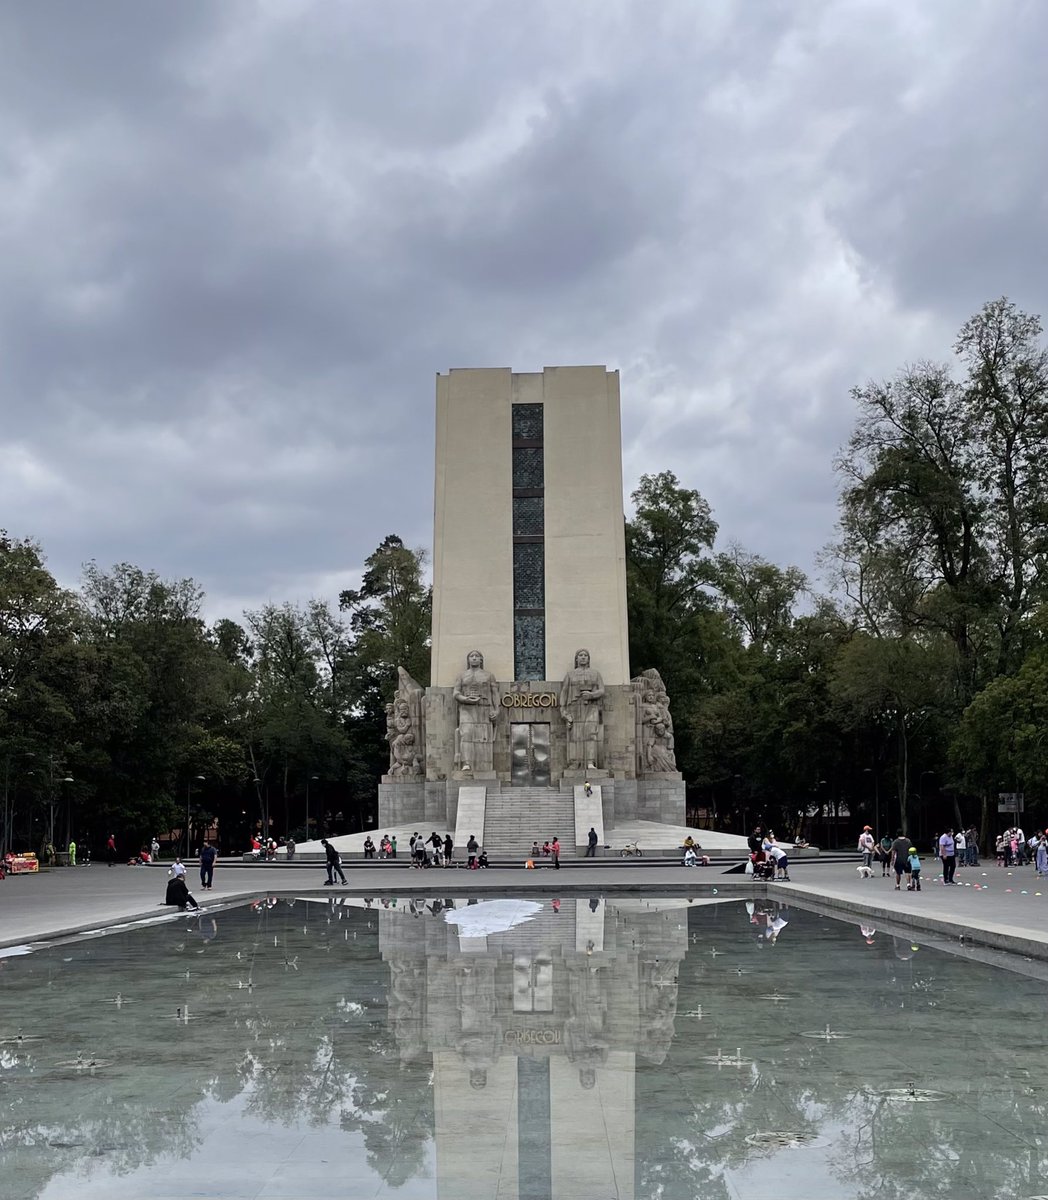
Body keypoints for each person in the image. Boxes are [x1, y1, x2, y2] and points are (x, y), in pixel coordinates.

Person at [453, 650, 500, 772]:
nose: (474, 658)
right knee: (466, 733)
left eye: (477, 656)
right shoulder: (462, 675)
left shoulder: (489, 675)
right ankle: (466, 763)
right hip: (466, 708)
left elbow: (495, 693)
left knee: (483, 737)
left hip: (484, 707)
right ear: (468, 660)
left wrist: (496, 710)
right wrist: (466, 699)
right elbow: (456, 693)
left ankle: (484, 767)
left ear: (481, 660)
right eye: (471, 656)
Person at [560, 649, 606, 769]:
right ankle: (575, 762)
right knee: (575, 735)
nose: (583, 657)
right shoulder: (570, 674)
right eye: (580, 655)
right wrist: (563, 711)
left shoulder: (595, 673)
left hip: (591, 706)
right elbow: (564, 692)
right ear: (576, 659)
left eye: (586, 655)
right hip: (574, 707)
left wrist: (592, 695)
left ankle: (590, 762)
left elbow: (602, 690)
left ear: (588, 659)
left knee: (591, 733)